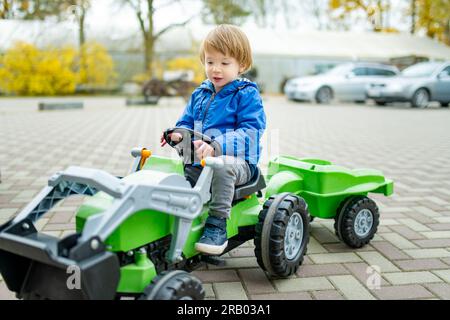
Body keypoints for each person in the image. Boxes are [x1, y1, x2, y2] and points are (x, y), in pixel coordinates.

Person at [161, 24, 266, 255]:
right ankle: (183, 213)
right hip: (202, 159)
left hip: (239, 163)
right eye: (210, 62)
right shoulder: (200, 93)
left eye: (224, 63)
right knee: (184, 168)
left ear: (242, 65)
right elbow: (186, 121)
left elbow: (251, 131)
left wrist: (218, 146)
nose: (215, 69)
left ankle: (217, 223)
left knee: (222, 166)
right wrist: (178, 133)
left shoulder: (246, 94)